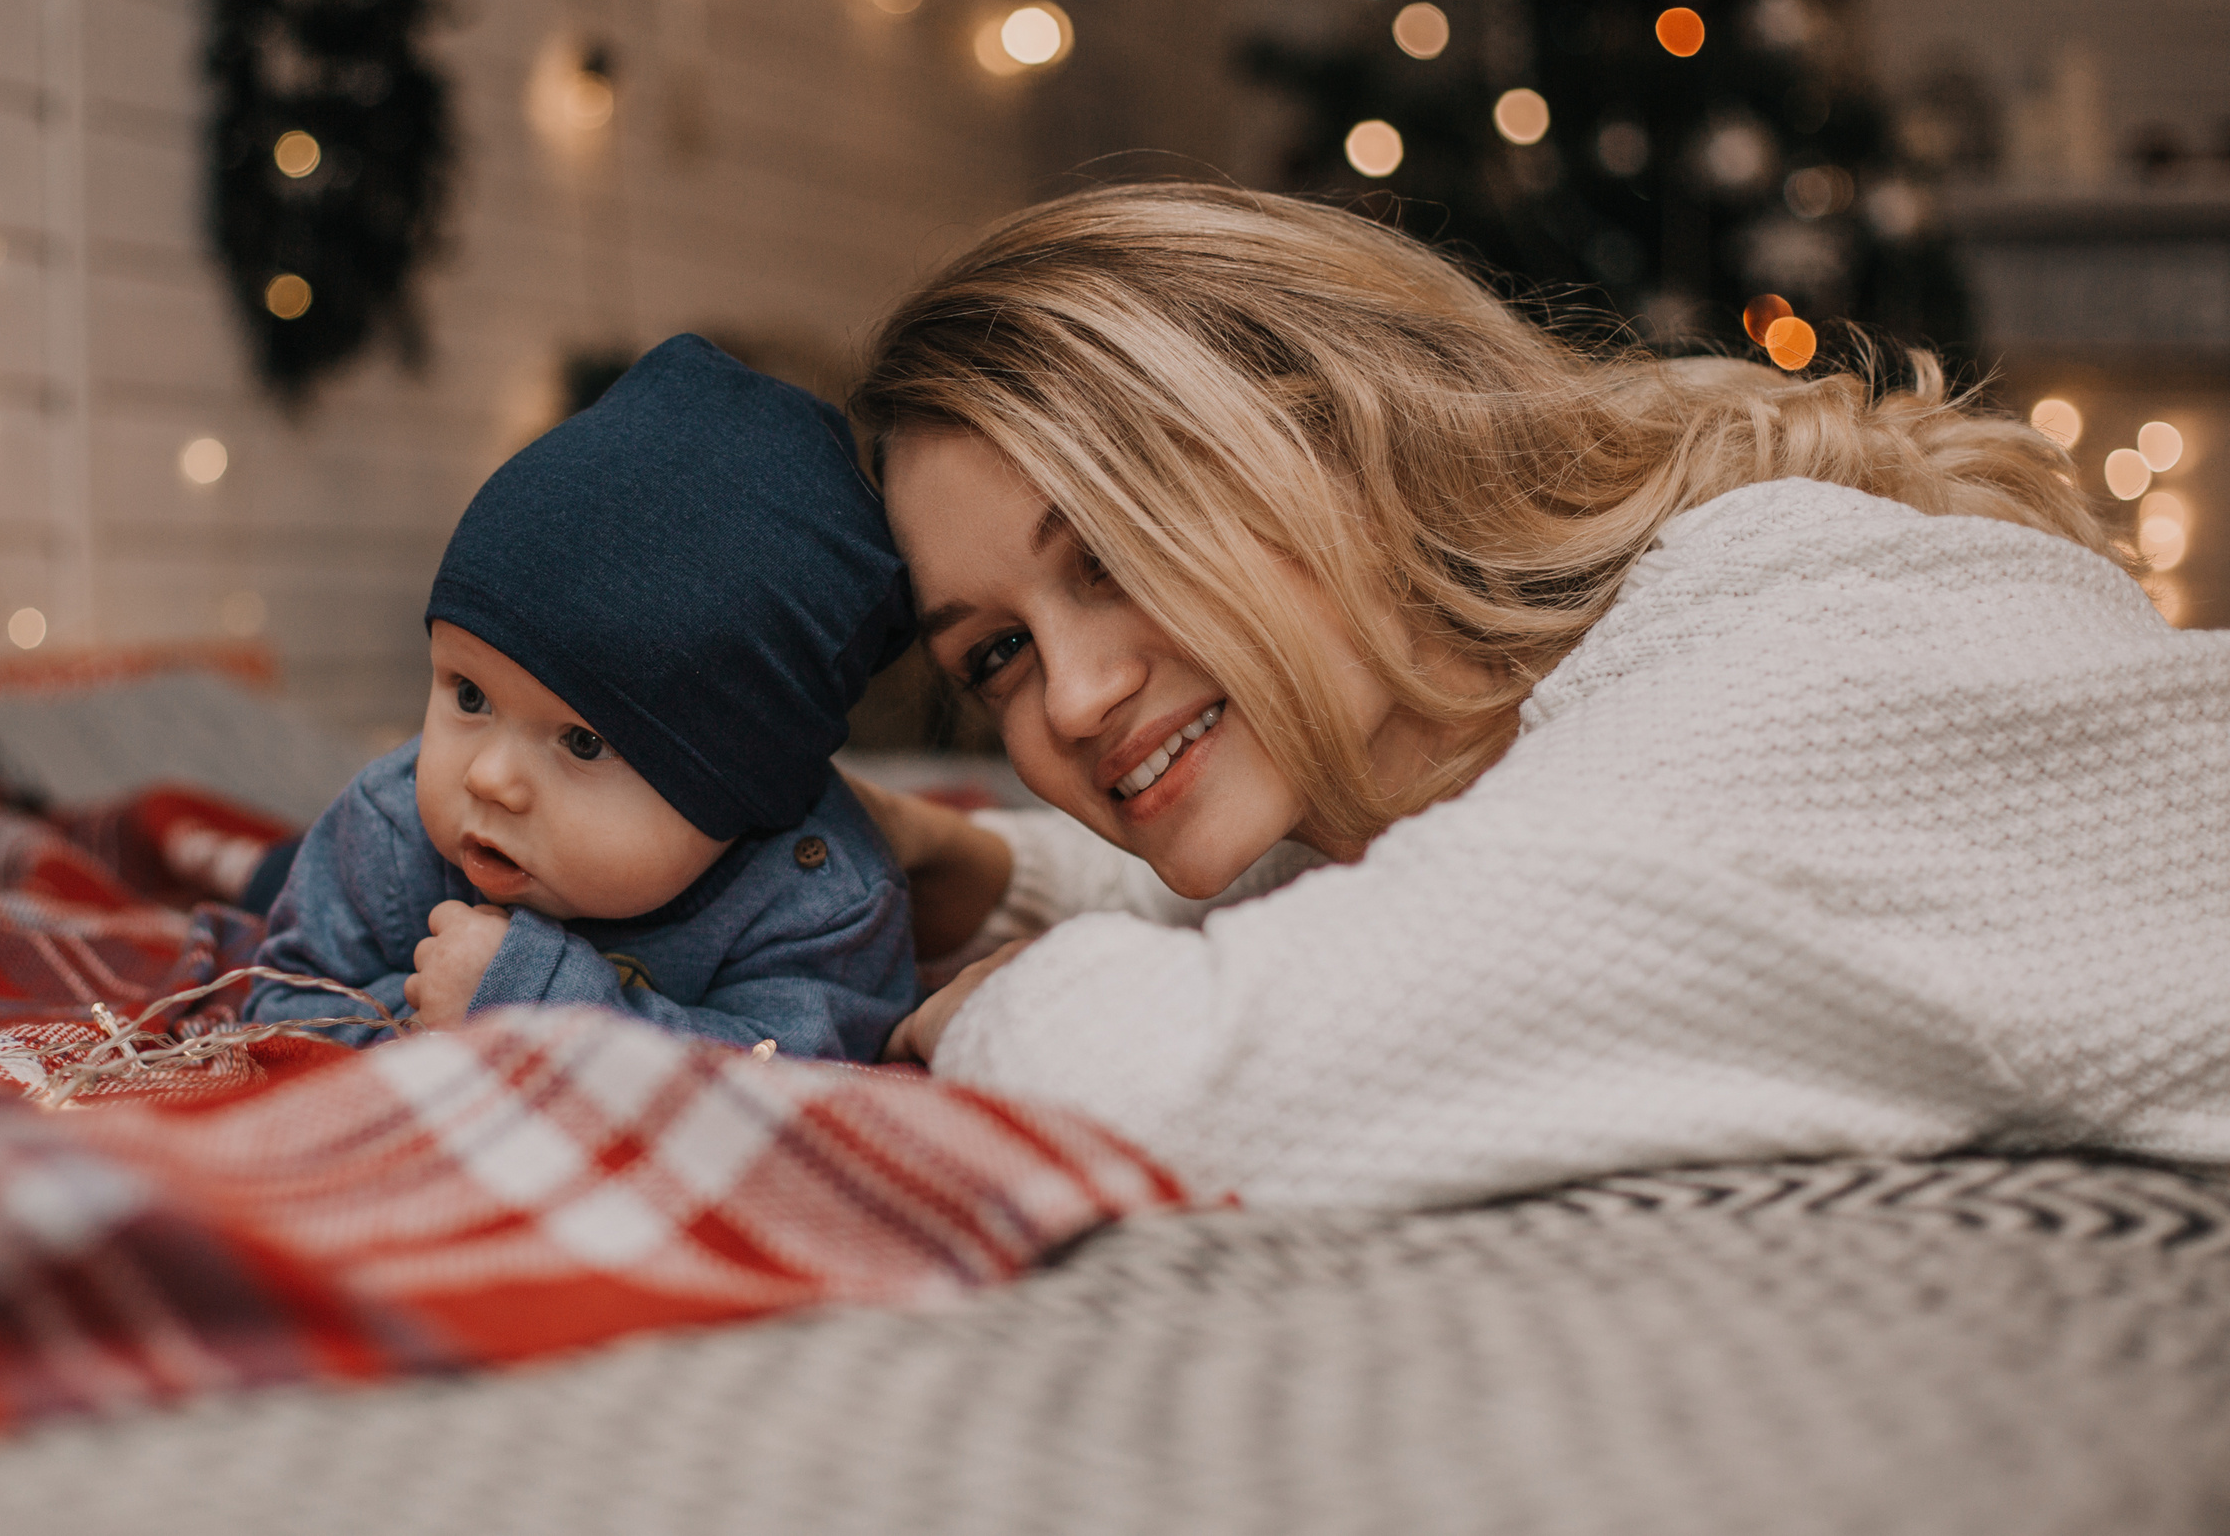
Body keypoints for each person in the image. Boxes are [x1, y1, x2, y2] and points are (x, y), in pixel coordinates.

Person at [846, 182, 2230, 1210]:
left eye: (1112, 555)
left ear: (1329, 441)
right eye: (993, 656)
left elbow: (1214, 1075)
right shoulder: (1565, 716)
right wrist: (969, 867)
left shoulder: (1795, 657)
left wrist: (985, 1014)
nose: (1074, 698)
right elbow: (1391, 890)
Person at [245, 335, 920, 1061]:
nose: (487, 777)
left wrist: (537, 1007)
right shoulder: (389, 827)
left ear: (742, 794)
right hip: (322, 888)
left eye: (583, 740)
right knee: (266, 886)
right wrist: (416, 1029)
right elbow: (279, 1007)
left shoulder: (821, 906)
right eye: (470, 694)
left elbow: (802, 1080)